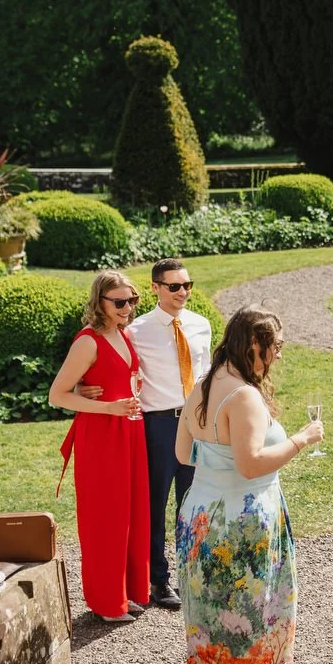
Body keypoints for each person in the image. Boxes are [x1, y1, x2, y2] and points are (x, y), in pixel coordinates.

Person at [174, 307, 322, 664]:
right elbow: (251, 463)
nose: (277, 355)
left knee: (210, 631)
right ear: (254, 344)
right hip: (241, 527)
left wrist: (216, 468)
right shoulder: (245, 397)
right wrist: (302, 439)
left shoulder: (202, 385)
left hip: (201, 517)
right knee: (246, 628)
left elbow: (183, 453)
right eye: (276, 347)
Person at [48, 270, 151, 623]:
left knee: (132, 513)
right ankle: (106, 602)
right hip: (101, 437)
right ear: (100, 302)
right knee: (106, 518)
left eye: (132, 300)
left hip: (129, 433)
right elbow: (56, 395)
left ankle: (126, 594)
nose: (127, 308)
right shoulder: (88, 341)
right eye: (119, 302)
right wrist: (107, 407)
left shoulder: (123, 333)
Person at [129, 258, 211, 610]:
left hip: (195, 423)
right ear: (155, 288)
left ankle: (191, 574)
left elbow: (206, 374)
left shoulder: (201, 325)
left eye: (187, 285)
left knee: (192, 503)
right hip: (159, 425)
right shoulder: (136, 330)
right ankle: (158, 581)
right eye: (175, 286)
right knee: (156, 504)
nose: (183, 292)